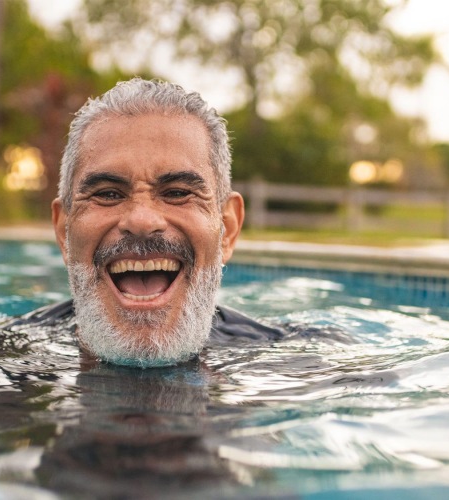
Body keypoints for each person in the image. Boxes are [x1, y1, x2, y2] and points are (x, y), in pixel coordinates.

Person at [18, 77, 287, 368]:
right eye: (108, 194)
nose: (142, 220)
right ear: (63, 234)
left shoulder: (296, 365)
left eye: (177, 193)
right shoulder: (0, 362)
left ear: (227, 230)